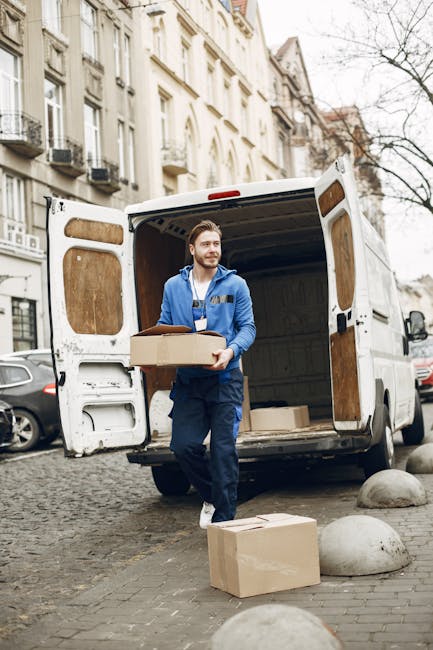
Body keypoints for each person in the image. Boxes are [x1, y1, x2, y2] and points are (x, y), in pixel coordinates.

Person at [157, 219, 256, 528]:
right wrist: (160, 352)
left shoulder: (235, 285)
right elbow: (165, 326)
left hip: (225, 381)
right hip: (189, 383)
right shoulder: (173, 286)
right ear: (192, 249)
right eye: (206, 244)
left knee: (223, 452)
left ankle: (225, 524)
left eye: (216, 244)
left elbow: (248, 328)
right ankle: (212, 496)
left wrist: (230, 351)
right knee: (182, 447)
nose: (213, 250)